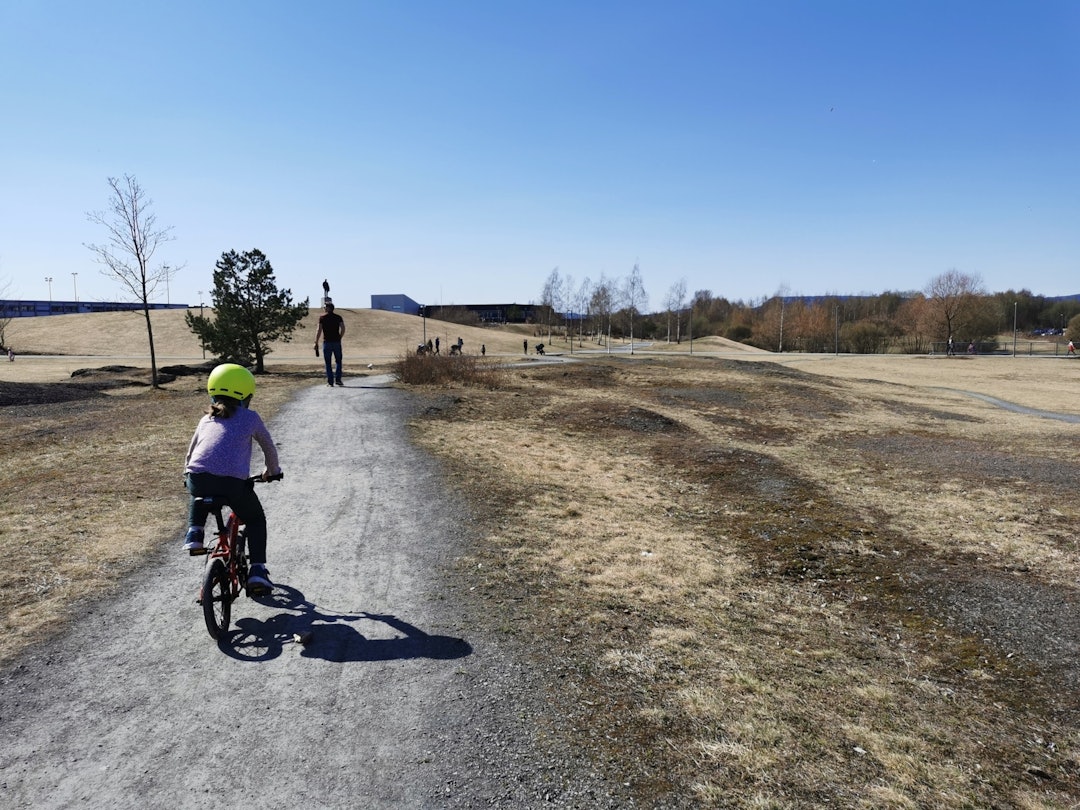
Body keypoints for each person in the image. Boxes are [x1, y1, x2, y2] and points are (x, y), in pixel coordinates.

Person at [183, 363, 281, 594]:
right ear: (247, 394)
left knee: (197, 492)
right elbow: (268, 447)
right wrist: (273, 471)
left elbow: (191, 453)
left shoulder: (206, 418)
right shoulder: (250, 417)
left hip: (197, 477)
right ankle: (257, 571)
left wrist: (187, 474)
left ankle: (195, 532)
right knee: (256, 519)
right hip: (232, 484)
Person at [314, 301, 346, 386]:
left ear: (328, 308)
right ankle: (338, 380)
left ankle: (330, 382)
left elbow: (319, 330)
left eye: (325, 307)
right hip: (336, 342)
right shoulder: (338, 317)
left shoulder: (322, 318)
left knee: (328, 362)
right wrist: (340, 337)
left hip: (327, 342)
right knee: (338, 361)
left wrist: (316, 342)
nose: (324, 308)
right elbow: (343, 328)